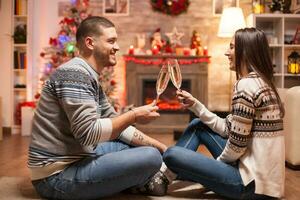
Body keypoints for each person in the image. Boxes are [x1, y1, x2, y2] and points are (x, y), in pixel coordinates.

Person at [28, 16, 168, 200]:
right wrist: (134, 115)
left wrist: (163, 148)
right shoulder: (75, 74)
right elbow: (88, 134)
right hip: (55, 176)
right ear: (90, 43)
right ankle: (149, 179)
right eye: (111, 41)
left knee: (139, 148)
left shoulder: (88, 76)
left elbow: (118, 127)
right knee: (150, 157)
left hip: (78, 156)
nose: (117, 47)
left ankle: (150, 176)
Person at [157, 28, 285, 199]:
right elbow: (227, 128)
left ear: (246, 52)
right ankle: (162, 179)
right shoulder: (262, 82)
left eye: (231, 47)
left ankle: (161, 178)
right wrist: (195, 105)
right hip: (266, 183)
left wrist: (212, 169)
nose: (226, 52)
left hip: (251, 187)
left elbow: (236, 146)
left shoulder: (245, 86)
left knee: (171, 155)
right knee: (198, 125)